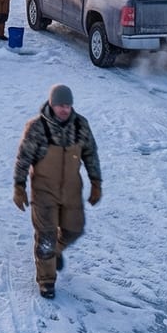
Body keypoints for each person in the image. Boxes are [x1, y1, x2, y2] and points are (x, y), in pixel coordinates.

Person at [12, 85, 103, 299]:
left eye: (68, 105)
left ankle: (56, 250)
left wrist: (96, 182)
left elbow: (90, 154)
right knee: (46, 237)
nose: (65, 110)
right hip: (43, 191)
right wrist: (19, 186)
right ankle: (46, 281)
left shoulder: (80, 125)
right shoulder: (37, 127)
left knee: (75, 228)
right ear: (52, 105)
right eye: (61, 105)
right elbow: (23, 158)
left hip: (71, 188)